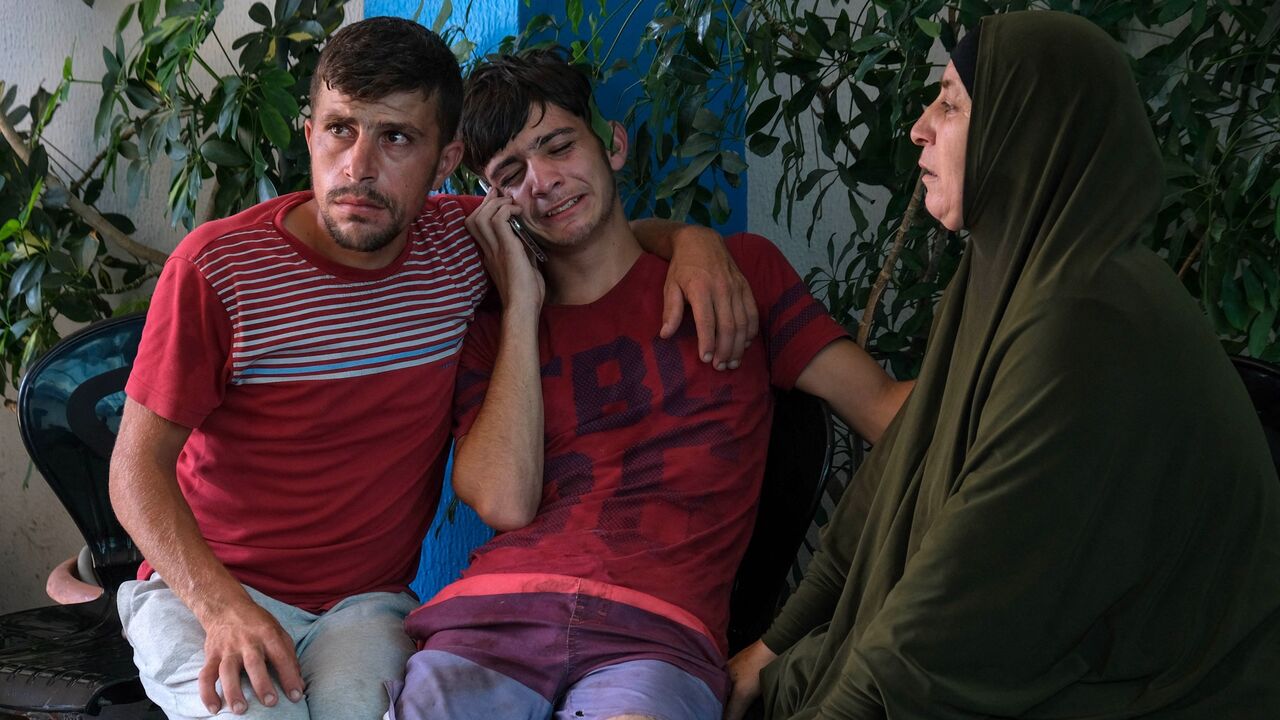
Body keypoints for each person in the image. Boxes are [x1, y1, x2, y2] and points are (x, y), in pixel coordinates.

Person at [108, 17, 756, 720]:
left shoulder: (462, 246)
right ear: (310, 134)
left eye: (396, 138)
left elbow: (590, 235)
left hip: (362, 607)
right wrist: (222, 608)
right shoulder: (220, 269)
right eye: (340, 130)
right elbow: (134, 472)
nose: (358, 167)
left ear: (446, 161)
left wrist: (693, 242)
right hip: (208, 592)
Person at [723, 10, 1280, 719]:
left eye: (951, 105)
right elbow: (895, 476)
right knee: (792, 676)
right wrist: (772, 646)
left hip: (1147, 688)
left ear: (1029, 132)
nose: (919, 127)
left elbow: (954, 607)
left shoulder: (1086, 325)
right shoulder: (1012, 275)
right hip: (1013, 646)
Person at [384, 49, 913, 720]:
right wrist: (521, 304)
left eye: (558, 146)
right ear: (495, 205)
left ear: (613, 145)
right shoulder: (493, 330)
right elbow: (504, 502)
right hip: (491, 619)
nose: (543, 181)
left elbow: (889, 411)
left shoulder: (736, 276)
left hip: (655, 634)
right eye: (510, 174)